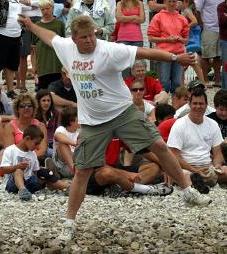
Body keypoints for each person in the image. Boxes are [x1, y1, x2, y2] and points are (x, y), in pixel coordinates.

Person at [19, 14, 211, 240]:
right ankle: (69, 223)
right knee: (82, 171)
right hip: (93, 121)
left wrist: (174, 57)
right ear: (74, 38)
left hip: (122, 112)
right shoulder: (66, 47)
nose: (89, 40)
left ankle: (188, 191)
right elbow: (50, 36)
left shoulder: (109, 50)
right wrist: (32, 25)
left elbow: (143, 52)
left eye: (91, 35)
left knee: (158, 144)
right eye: (84, 37)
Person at [167, 88, 227, 191]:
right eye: (195, 103)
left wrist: (217, 165)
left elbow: (217, 152)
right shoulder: (179, 124)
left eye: (201, 104)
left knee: (225, 170)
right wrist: (193, 170)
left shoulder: (212, 124)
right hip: (187, 167)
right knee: (185, 175)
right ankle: (196, 184)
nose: (198, 107)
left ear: (206, 105)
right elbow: (173, 155)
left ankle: (198, 183)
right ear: (189, 104)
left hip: (208, 166)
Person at [0, 124, 70, 201]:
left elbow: (35, 171)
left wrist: (44, 174)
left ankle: (68, 187)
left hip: (30, 183)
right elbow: (3, 169)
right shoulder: (10, 150)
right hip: (13, 185)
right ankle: (22, 190)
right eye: (36, 143)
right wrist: (16, 166)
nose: (37, 146)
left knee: (43, 173)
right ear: (27, 139)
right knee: (19, 170)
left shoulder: (32, 154)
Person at [148, 0, 190, 94]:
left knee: (177, 84)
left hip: (179, 54)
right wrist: (167, 40)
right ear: (165, 2)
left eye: (174, 1)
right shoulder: (158, 17)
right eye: (169, 1)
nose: (171, 4)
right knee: (164, 83)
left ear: (177, 3)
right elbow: (151, 38)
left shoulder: (182, 18)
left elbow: (186, 39)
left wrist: (179, 38)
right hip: (163, 54)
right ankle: (163, 107)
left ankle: (176, 107)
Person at [0, 0, 31, 99]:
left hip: (16, 35)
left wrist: (20, 34)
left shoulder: (17, 1)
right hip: (0, 33)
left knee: (12, 65)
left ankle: (10, 91)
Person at [4, 93, 47, 162]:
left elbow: (42, 150)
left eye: (29, 106)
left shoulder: (40, 126)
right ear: (17, 109)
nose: (26, 108)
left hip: (36, 160)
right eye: (22, 106)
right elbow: (9, 151)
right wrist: (22, 161)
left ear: (33, 108)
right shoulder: (10, 127)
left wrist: (28, 159)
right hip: (15, 162)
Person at [31, 0, 65, 90]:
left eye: (47, 8)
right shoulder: (36, 26)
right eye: (42, 9)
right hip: (42, 67)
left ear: (53, 8)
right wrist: (34, 66)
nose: (45, 11)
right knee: (43, 93)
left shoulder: (60, 24)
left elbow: (65, 46)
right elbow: (33, 49)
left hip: (57, 67)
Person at [195, 0, 223, 88]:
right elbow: (197, 9)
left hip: (222, 28)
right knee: (205, 56)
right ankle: (205, 81)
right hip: (208, 27)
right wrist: (201, 24)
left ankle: (217, 81)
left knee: (218, 56)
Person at [53, 106, 79, 178]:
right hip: (63, 165)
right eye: (79, 117)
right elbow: (58, 136)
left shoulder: (79, 132)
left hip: (78, 163)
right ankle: (74, 171)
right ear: (71, 121)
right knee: (63, 144)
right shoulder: (61, 129)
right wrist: (76, 144)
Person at [35, 89, 60, 157]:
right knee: (56, 155)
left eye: (48, 100)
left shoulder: (55, 113)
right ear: (38, 102)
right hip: (40, 144)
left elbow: (56, 130)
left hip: (53, 142)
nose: (46, 103)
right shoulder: (34, 115)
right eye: (43, 100)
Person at [207, 89, 227, 163]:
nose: (224, 113)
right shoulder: (208, 120)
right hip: (213, 154)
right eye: (221, 110)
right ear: (215, 106)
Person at [217, 0, 227, 89]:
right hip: (225, 40)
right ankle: (225, 89)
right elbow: (223, 21)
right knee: (226, 66)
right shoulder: (221, 6)